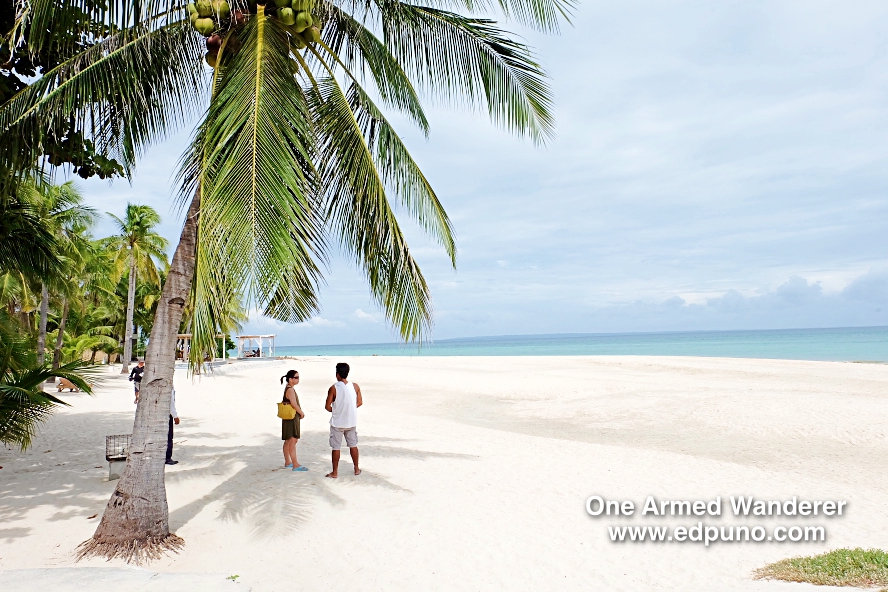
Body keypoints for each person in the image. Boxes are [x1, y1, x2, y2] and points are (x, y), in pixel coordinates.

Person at [325, 362, 362, 478]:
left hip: (338, 423)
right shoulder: (355, 386)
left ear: (337, 374)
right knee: (353, 445)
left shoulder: (333, 388)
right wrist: (349, 408)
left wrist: (337, 410)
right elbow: (359, 402)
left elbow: (327, 406)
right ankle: (356, 468)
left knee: (336, 447)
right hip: (351, 422)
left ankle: (335, 472)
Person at [281, 369, 306, 471]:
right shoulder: (290, 389)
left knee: (288, 440)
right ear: (290, 379)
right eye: (296, 378)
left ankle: (288, 461)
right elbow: (294, 404)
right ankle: (295, 464)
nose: (298, 379)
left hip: (288, 417)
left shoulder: (288, 388)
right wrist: (301, 412)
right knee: (292, 440)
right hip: (291, 417)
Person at [166, 388, 179, 466]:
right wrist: (175, 416)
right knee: (168, 437)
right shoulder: (168, 386)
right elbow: (171, 403)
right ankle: (167, 458)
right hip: (167, 414)